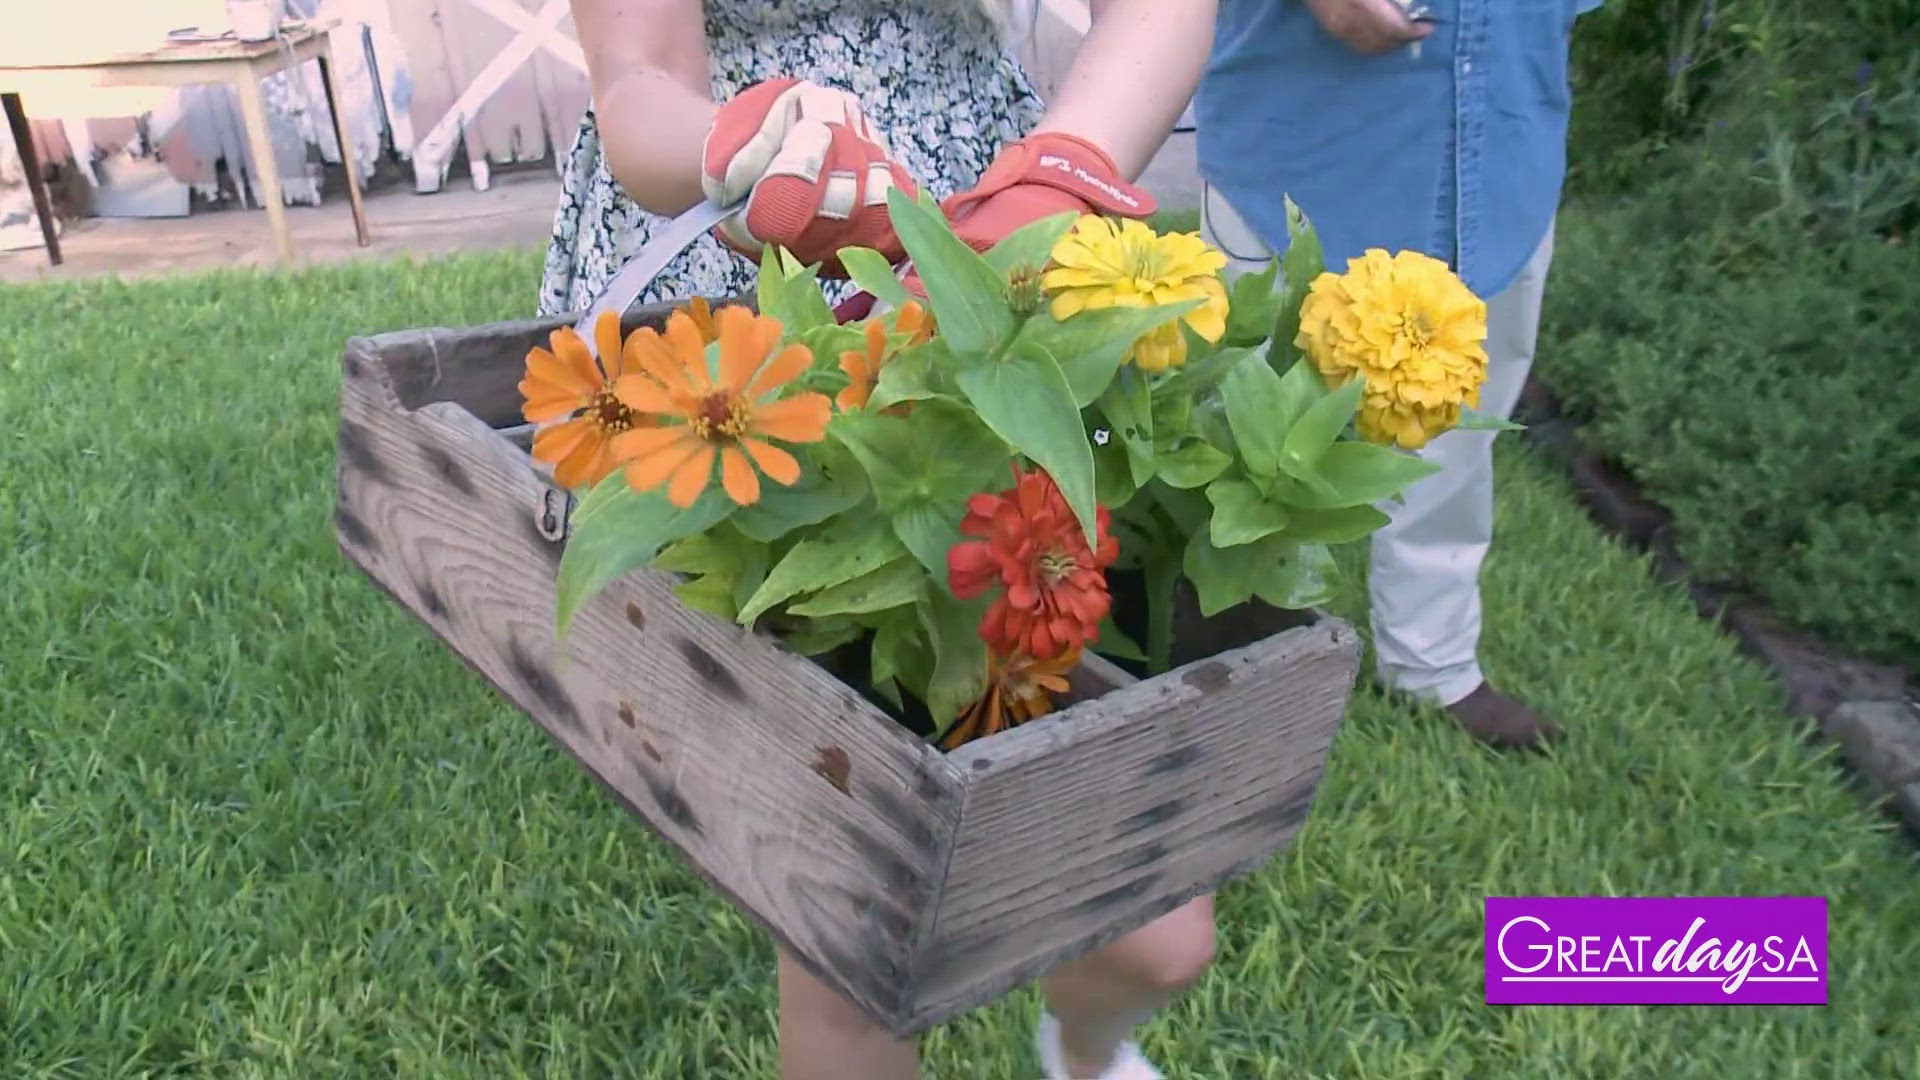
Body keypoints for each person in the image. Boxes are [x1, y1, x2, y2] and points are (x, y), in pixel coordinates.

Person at [549, 2, 1218, 1077]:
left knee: (1159, 929)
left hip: (992, 222)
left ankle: (1086, 1050)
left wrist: (1063, 169)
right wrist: (734, 141)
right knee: (863, 931)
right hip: (748, 257)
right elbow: (636, 81)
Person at [1195, 0, 1603, 751]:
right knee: (1229, 425)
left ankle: (1432, 661)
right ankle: (1204, 657)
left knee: (1452, 426)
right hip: (1296, 139)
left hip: (1504, 135)